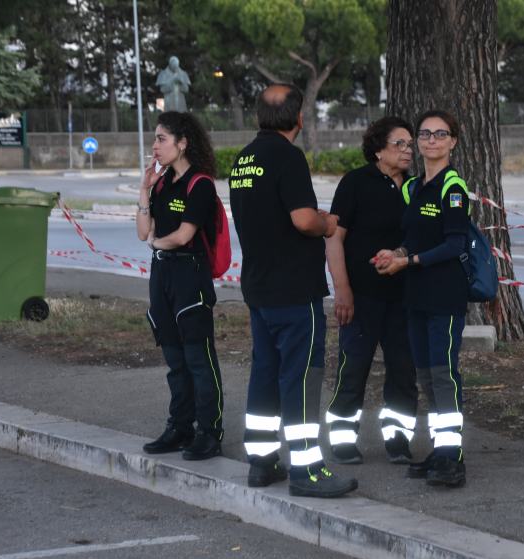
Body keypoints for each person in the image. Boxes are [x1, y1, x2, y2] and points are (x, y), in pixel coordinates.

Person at [229, 83, 358, 498]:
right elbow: (303, 220)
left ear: (258, 118)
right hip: (292, 289)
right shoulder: (288, 156)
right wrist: (328, 224)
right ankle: (306, 469)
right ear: (299, 118)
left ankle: (262, 462)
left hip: (259, 287)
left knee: (264, 374)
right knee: (302, 376)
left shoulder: (243, 159)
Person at [373, 110, 470, 487]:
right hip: (415, 297)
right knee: (427, 377)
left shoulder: (453, 187)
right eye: (424, 135)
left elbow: (454, 244)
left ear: (453, 142)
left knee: (445, 376)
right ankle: (440, 448)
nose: (430, 140)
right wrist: (394, 253)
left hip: (444, 296)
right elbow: (413, 239)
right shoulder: (412, 188)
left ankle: (453, 458)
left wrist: (408, 261)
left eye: (439, 134)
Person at [324, 117, 419, 465]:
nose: (408, 150)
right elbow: (334, 237)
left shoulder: (415, 188)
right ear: (378, 149)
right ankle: (343, 438)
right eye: (400, 144)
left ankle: (398, 440)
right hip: (361, 296)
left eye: (410, 144)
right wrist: (343, 289)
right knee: (353, 368)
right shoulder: (355, 183)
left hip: (405, 298)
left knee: (403, 371)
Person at [136, 111, 224, 461]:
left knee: (198, 358)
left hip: (190, 276)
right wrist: (144, 190)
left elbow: (184, 236)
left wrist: (158, 242)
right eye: (155, 139)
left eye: (161, 139)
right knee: (175, 359)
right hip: (162, 277)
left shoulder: (200, 184)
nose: (155, 146)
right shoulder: (161, 184)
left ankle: (209, 430)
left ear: (182, 143)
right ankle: (180, 426)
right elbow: (144, 232)